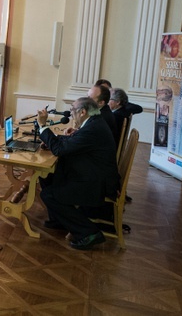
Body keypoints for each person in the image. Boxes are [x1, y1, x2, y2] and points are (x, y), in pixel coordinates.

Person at [36, 97, 120, 250]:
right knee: (47, 176)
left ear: (83, 112)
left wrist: (42, 126)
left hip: (96, 183)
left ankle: (89, 232)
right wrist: (59, 139)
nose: (71, 113)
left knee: (49, 195)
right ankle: (60, 220)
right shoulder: (95, 123)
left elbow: (60, 150)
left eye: (73, 110)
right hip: (94, 173)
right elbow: (75, 144)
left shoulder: (93, 128)